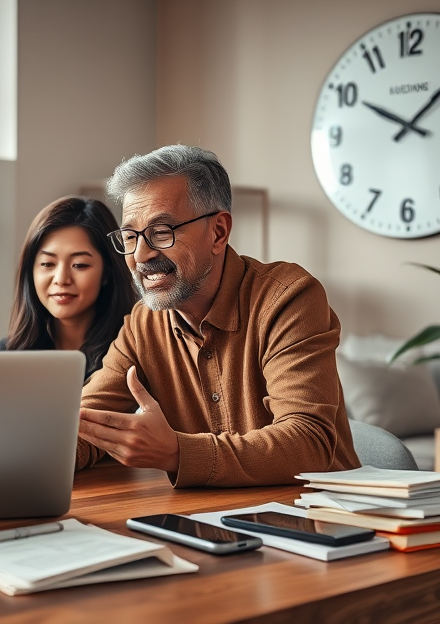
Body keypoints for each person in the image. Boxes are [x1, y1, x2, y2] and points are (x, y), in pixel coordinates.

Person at [76, 145, 360, 487]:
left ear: (219, 232)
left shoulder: (289, 298)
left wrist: (177, 453)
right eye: (130, 236)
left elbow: (309, 443)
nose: (140, 254)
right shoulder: (142, 325)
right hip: (208, 520)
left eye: (161, 232)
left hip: (316, 516)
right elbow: (85, 424)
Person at [0, 196, 136, 380]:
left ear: (107, 273)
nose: (61, 279)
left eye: (79, 265)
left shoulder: (130, 352)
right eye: (47, 264)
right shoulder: (10, 352)